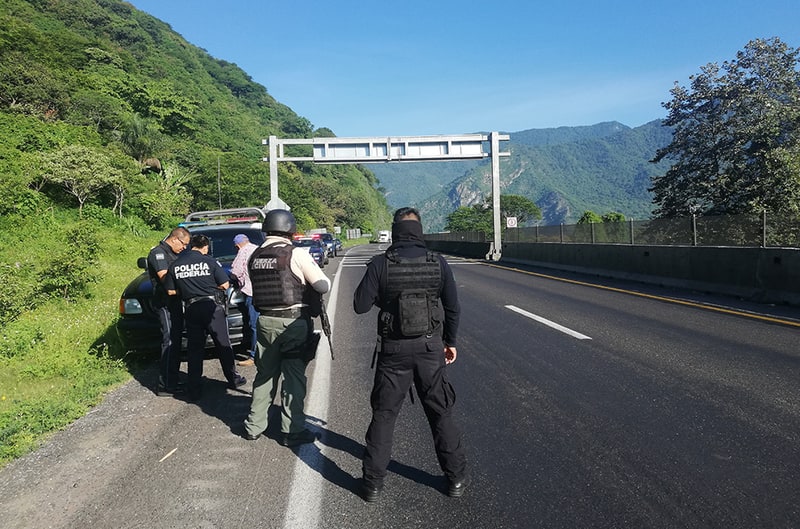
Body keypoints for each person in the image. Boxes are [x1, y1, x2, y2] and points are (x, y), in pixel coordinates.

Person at [353, 206, 467, 502]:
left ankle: (373, 485)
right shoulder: (438, 262)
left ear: (395, 231)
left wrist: (384, 297)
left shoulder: (381, 264)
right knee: (440, 413)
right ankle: (455, 480)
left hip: (393, 351)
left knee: (384, 415)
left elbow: (360, 305)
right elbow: (453, 308)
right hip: (430, 348)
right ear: (419, 231)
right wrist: (450, 342)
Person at [243, 209, 330, 447]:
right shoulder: (296, 253)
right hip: (292, 323)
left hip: (264, 321)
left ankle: (254, 426)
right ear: (290, 229)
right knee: (293, 377)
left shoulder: (254, 255)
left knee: (265, 375)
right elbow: (322, 285)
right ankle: (292, 430)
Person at [165, 234, 246, 401]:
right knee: (223, 344)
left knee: (195, 350)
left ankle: (194, 388)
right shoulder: (209, 261)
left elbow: (171, 291)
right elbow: (224, 284)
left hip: (191, 308)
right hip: (212, 307)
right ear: (206, 247)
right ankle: (233, 379)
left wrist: (188, 290)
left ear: (191, 246)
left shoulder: (176, 264)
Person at [147, 226, 190, 396]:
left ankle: (172, 378)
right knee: (170, 341)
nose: (184, 248)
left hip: (175, 302)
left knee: (176, 341)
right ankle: (165, 384)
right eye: (184, 244)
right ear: (175, 239)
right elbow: (164, 277)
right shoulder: (159, 253)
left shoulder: (173, 254)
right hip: (165, 303)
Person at [230, 233, 259, 366]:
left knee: (254, 325)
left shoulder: (243, 252)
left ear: (237, 245)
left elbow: (236, 272)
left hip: (251, 292)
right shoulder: (259, 249)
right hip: (265, 292)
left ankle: (254, 356)